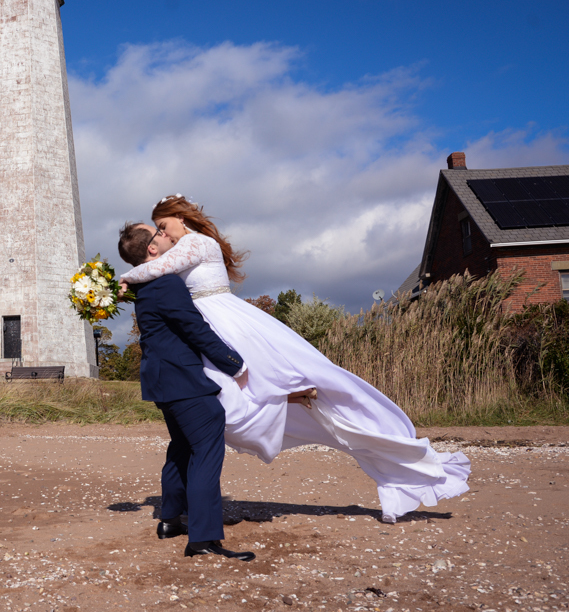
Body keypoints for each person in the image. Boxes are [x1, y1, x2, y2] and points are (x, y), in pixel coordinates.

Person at [117, 197, 471, 523]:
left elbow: (151, 268)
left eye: (164, 226)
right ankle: (283, 401)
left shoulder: (196, 243)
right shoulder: (180, 250)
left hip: (225, 324)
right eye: (158, 230)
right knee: (219, 403)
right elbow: (154, 266)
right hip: (208, 325)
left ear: (181, 219)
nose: (163, 233)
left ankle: (293, 401)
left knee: (237, 389)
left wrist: (118, 280)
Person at [123, 232, 256, 561]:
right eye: (158, 233)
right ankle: (204, 537)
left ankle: (170, 520)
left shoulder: (144, 286)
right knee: (206, 448)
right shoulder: (166, 285)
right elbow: (194, 328)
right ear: (153, 248)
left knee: (182, 447)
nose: (165, 235)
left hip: (161, 379)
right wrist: (233, 364)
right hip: (181, 379)